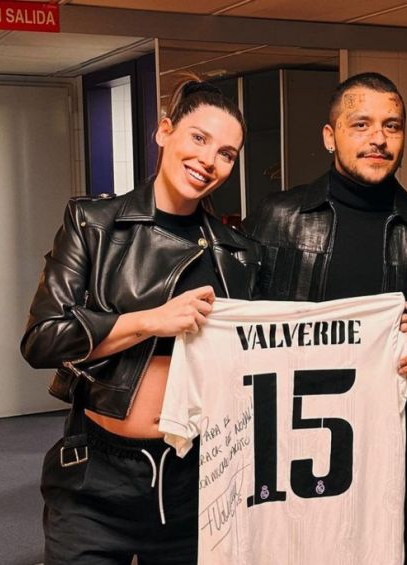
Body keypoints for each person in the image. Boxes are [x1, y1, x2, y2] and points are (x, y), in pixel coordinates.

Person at [20, 76, 260, 564]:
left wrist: (384, 337)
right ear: (164, 131)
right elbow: (43, 340)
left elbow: (272, 352)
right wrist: (151, 321)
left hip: (197, 479)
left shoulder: (238, 254)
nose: (208, 160)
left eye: (226, 154)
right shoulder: (93, 224)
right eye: (198, 138)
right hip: (95, 477)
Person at [243, 72, 407, 565]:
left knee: (388, 549)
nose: (378, 139)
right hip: (288, 429)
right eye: (361, 124)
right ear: (331, 136)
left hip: (390, 430)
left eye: (392, 126)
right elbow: (241, 310)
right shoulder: (278, 216)